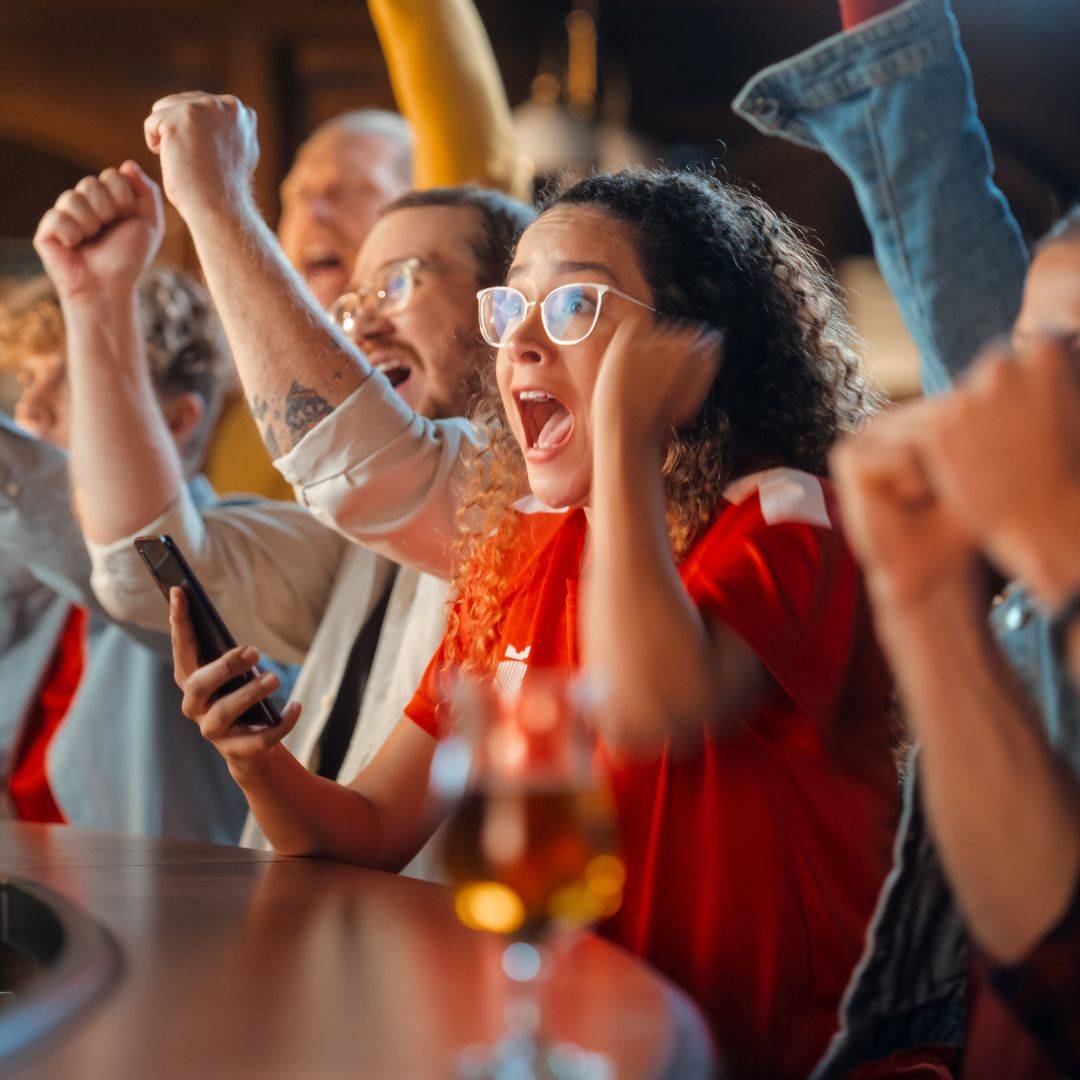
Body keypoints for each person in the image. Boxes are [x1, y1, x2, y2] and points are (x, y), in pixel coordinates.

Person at [169, 166, 904, 1079]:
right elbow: (365, 830)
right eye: (508, 311)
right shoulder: (520, 551)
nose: (517, 344)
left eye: (571, 309)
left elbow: (650, 704)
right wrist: (253, 754)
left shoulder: (789, 518)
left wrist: (631, 443)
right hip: (587, 1050)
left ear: (694, 345)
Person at [733, 0, 1079, 1073]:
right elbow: (1031, 932)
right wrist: (927, 594)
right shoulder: (1027, 605)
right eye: (1033, 352)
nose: (1014, 396)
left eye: (1070, 357)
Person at [68, 163, 533, 866]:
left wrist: (214, 194)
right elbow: (143, 566)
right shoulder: (366, 540)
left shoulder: (526, 489)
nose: (364, 323)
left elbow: (356, 467)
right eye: (350, 304)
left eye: (399, 282)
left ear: (504, 307)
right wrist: (97, 299)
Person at [0, 172, 275, 840]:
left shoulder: (221, 560)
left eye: (74, 385)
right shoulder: (31, 578)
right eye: (29, 380)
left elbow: (141, 583)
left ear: (177, 420)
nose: (31, 410)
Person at [203, 0, 530, 501]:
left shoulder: (432, 373)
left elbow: (472, 143)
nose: (315, 213)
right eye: (297, 197)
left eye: (347, 189)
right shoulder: (238, 389)